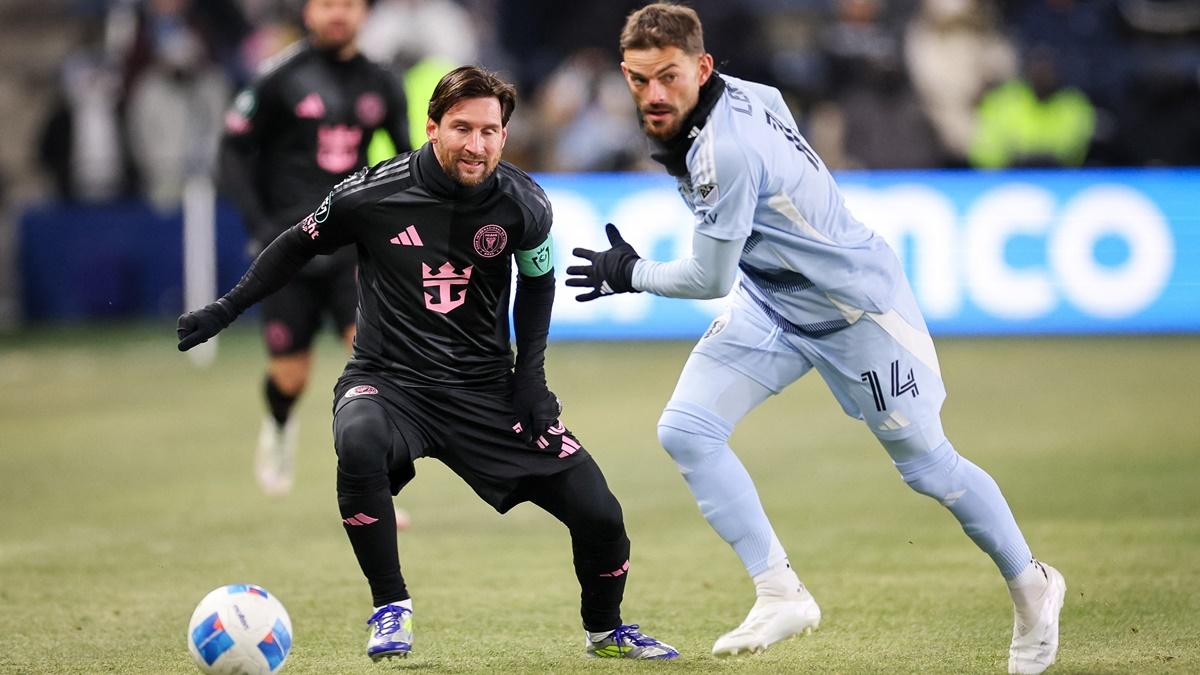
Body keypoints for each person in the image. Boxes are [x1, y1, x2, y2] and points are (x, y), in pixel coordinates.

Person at [566, 4, 1064, 673]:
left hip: (858, 313)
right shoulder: (745, 95)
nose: (653, 94)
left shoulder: (723, 150)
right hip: (775, 301)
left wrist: (630, 272)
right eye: (638, 78)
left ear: (702, 68)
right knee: (687, 429)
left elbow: (709, 274)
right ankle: (780, 591)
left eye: (667, 76)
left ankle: (1033, 585)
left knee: (926, 466)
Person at [178, 65, 678, 662]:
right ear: (432, 127)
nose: (477, 145)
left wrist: (531, 380)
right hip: (389, 383)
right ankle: (390, 607)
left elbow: (539, 283)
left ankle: (607, 630)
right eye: (462, 128)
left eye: (491, 131)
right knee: (359, 439)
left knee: (600, 512)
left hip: (486, 391)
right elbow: (294, 245)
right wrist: (225, 309)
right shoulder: (370, 194)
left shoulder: (524, 202)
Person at [219, 0, 410, 496]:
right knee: (290, 377)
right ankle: (279, 427)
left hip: (353, 249)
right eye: (326, 4)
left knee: (375, 366)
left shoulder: (383, 82)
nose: (337, 14)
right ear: (308, 12)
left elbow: (408, 157)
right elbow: (233, 149)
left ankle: (380, 484)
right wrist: (260, 225)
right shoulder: (278, 78)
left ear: (364, 14)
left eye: (347, 5)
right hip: (291, 252)